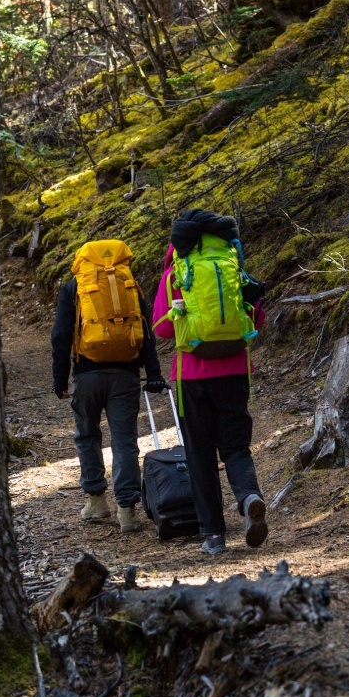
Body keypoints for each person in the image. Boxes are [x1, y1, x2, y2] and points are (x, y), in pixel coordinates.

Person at [153, 209, 267, 556]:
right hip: (235, 370)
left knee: (200, 454)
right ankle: (248, 498)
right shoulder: (233, 263)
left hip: (193, 374)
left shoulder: (177, 272)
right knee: (235, 446)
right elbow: (256, 317)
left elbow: (161, 326)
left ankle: (214, 535)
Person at [51, 240, 167, 532]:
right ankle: (127, 510)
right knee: (124, 441)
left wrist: (59, 378)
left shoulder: (73, 287)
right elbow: (146, 330)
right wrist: (153, 373)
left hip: (87, 375)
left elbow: (61, 335)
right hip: (125, 375)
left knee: (87, 435)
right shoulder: (129, 284)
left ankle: (97, 502)